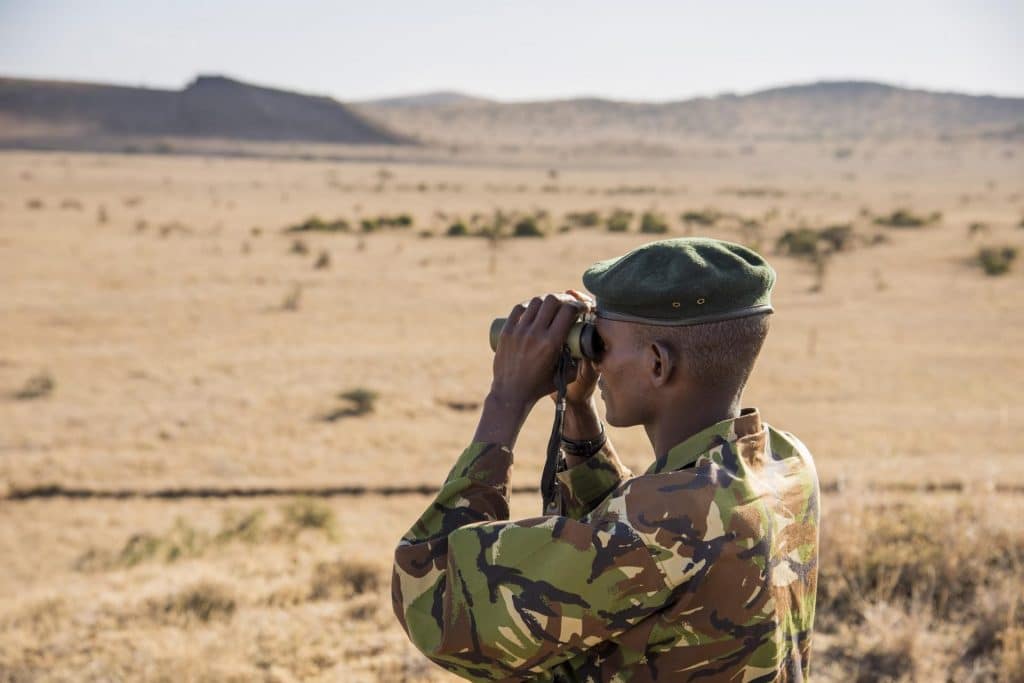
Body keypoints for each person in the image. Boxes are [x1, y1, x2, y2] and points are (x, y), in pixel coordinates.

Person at [392, 238, 820, 682]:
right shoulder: (785, 462)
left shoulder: (665, 519)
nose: (594, 361)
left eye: (602, 343)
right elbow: (625, 555)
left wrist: (506, 398)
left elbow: (433, 599)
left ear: (657, 363)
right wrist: (578, 409)